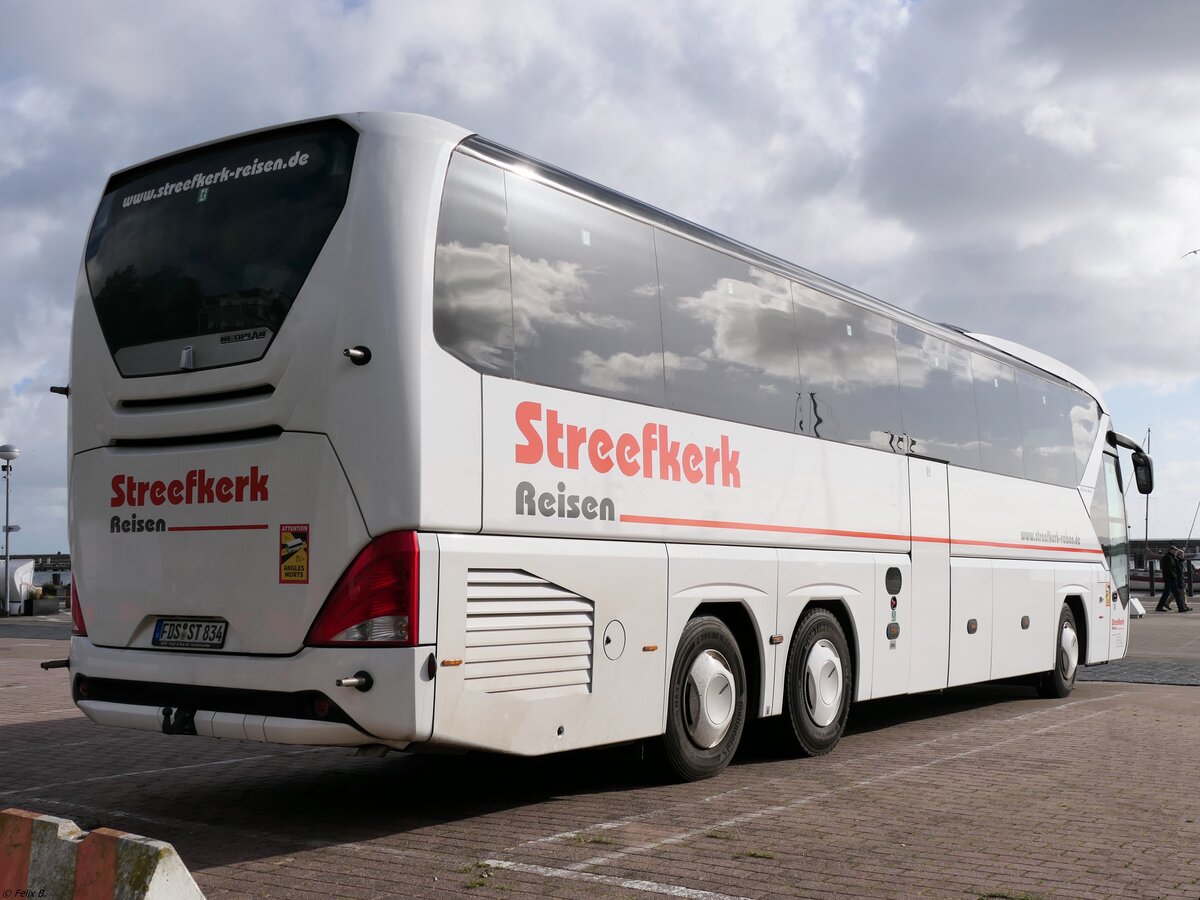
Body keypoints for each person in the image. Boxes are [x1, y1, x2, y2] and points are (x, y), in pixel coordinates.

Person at [1156, 546, 1191, 612]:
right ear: (1170, 550)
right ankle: (1181, 608)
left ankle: (1159, 607)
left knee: (1166, 594)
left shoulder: (1172, 557)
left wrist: (1181, 553)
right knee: (1177, 593)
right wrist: (1174, 576)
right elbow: (1168, 569)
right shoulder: (1168, 557)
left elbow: (1180, 560)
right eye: (1174, 550)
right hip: (1170, 578)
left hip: (1169, 578)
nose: (1175, 551)